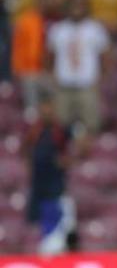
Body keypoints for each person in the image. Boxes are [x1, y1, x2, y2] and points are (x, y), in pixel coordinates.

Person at [46, 0, 110, 135]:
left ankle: (91, 153)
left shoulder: (95, 28)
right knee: (61, 124)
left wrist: (103, 76)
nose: (77, 9)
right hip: (64, 84)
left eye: (80, 6)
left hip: (87, 83)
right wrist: (51, 75)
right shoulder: (58, 29)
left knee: (91, 123)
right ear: (67, 8)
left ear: (86, 8)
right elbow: (50, 56)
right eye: (74, 6)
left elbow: (104, 55)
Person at [24, 88, 78, 255]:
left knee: (60, 231)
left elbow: (79, 145)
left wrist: (66, 161)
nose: (47, 110)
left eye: (50, 107)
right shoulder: (35, 130)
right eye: (43, 107)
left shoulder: (60, 130)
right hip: (39, 187)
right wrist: (30, 165)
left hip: (56, 188)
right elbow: (26, 149)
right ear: (40, 108)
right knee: (43, 231)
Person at [12, 0, 46, 116]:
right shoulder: (25, 20)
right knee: (31, 104)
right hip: (28, 67)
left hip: (43, 68)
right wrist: (17, 66)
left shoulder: (42, 20)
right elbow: (18, 46)